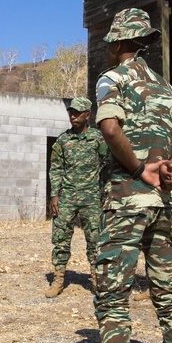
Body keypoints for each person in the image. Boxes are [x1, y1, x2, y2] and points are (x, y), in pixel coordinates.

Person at [62, 8, 172, 343]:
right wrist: (168, 169)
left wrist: (141, 170)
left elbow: (109, 129)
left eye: (109, 42)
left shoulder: (114, 79)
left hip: (125, 203)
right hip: (163, 206)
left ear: (120, 43)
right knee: (169, 294)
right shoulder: (166, 88)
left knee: (113, 296)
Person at [46, 96, 106, 298]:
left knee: (96, 240)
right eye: (71, 112)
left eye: (77, 113)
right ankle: (58, 279)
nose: (73, 116)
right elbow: (55, 168)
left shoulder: (98, 139)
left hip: (92, 198)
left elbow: (108, 165)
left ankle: (97, 280)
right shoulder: (63, 140)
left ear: (87, 115)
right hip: (67, 197)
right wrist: (54, 195)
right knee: (61, 238)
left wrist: (106, 193)